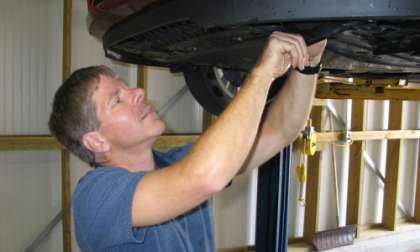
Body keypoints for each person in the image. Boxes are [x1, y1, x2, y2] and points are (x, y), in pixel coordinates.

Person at [49, 32, 327, 251]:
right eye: (117, 100)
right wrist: (262, 73)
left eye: (127, 87)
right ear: (96, 142)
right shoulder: (95, 197)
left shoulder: (176, 163)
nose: (138, 91)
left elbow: (282, 130)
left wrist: (309, 63)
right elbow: (205, 177)